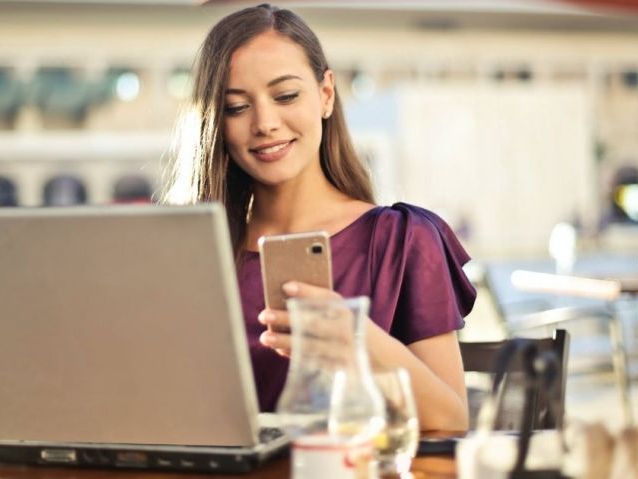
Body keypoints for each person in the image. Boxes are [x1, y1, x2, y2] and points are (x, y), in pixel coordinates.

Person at [162, 3, 476, 432]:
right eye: (237, 107)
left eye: (286, 95)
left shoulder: (402, 238)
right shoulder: (191, 252)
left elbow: (452, 418)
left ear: (325, 94)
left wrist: (356, 341)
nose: (265, 123)